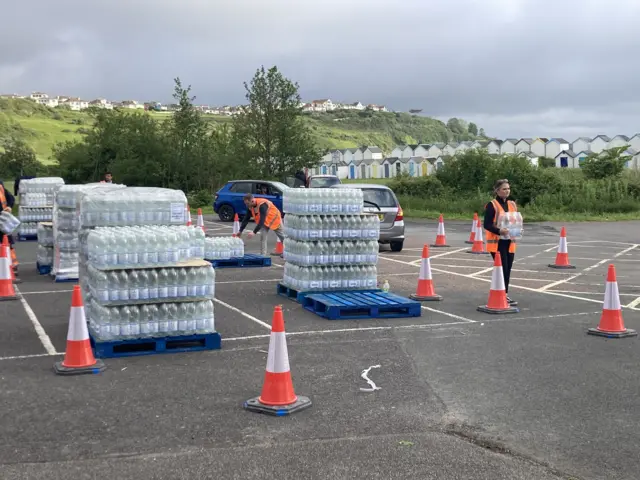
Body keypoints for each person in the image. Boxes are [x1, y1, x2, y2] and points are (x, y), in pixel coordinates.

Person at [484, 178, 519, 306]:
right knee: (502, 268)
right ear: (497, 191)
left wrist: (518, 227)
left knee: (508, 268)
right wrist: (499, 231)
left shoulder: (512, 204)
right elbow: (487, 225)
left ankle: (505, 294)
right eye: (504, 189)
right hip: (497, 242)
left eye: (508, 188)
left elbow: (515, 220)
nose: (507, 191)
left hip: (510, 241)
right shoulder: (492, 205)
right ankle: (501, 294)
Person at [0, 180, 20, 275]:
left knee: (7, 242)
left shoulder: (0, 186)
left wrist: (9, 206)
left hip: (2, 221)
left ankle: (12, 267)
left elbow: (10, 198)